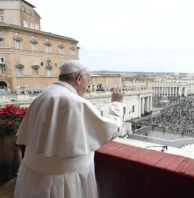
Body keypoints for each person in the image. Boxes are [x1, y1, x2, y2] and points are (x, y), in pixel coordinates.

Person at [14, 60, 124, 198]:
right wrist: (116, 104)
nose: (87, 87)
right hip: (64, 182)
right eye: (88, 82)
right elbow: (110, 129)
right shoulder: (76, 102)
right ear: (79, 79)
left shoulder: (41, 96)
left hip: (32, 174)